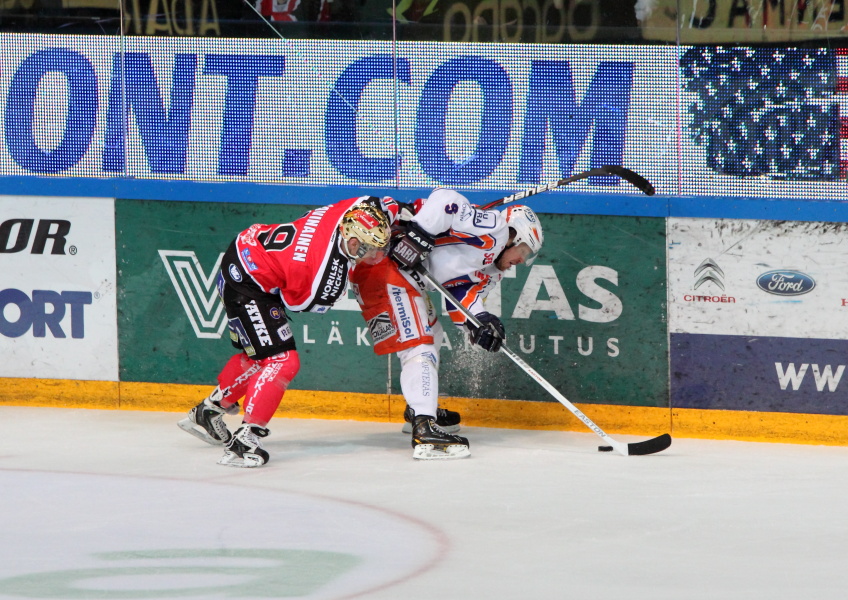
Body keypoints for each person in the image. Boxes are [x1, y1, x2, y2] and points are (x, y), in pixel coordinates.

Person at [178, 196, 399, 468]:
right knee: (282, 360)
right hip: (248, 285)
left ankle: (209, 411)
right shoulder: (323, 275)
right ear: (352, 242)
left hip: (244, 249)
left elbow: (383, 201)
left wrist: (406, 218)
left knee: (262, 356)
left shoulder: (350, 212)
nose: (375, 257)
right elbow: (298, 303)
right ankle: (245, 441)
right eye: (368, 249)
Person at [349, 188, 545, 460]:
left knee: (432, 335)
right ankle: (425, 428)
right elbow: (446, 199)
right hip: (383, 267)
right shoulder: (495, 228)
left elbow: (462, 298)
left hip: (400, 278)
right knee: (420, 348)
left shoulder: (491, 272)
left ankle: (419, 410)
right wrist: (419, 233)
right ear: (515, 236)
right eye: (524, 251)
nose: (522, 261)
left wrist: (480, 324)